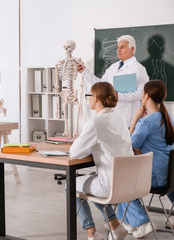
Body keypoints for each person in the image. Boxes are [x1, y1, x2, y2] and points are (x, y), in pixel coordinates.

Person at [116, 80, 174, 238]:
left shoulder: (146, 121)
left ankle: (140, 221)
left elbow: (130, 144)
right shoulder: (167, 118)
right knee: (126, 179)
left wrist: (135, 119)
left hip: (154, 177)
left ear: (146, 96)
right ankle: (126, 221)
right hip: (171, 176)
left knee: (120, 183)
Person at [70, 82, 133, 240]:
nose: (88, 100)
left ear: (95, 97)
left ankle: (92, 233)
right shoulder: (119, 119)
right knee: (90, 183)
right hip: (129, 183)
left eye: (88, 96)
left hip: (110, 186)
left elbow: (74, 152)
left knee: (69, 185)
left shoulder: (95, 122)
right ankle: (114, 225)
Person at [77, 35, 149, 126]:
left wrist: (118, 95)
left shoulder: (139, 69)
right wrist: (84, 72)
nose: (118, 50)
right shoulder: (113, 67)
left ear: (132, 49)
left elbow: (142, 94)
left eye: (122, 47)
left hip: (127, 119)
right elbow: (101, 86)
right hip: (110, 116)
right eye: (118, 47)